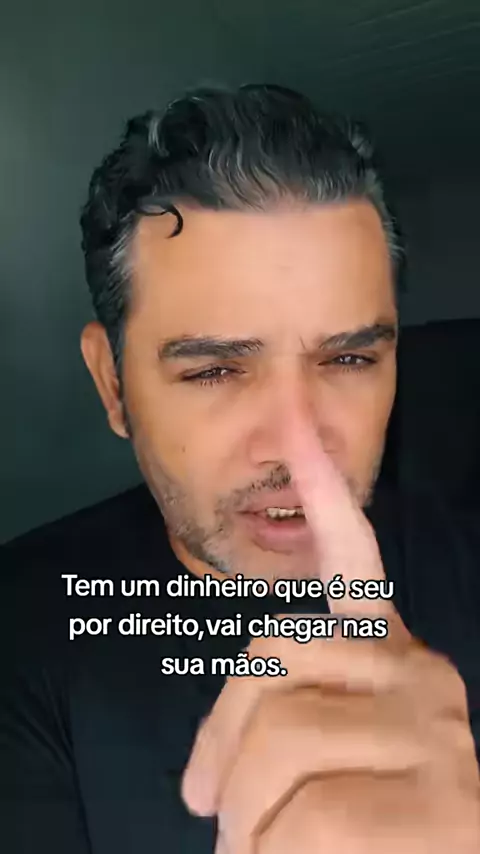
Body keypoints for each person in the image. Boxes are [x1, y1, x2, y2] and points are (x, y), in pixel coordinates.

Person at [1, 83, 479, 853]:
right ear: (113, 385)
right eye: (215, 371)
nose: (297, 444)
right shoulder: (20, 637)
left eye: (349, 359)